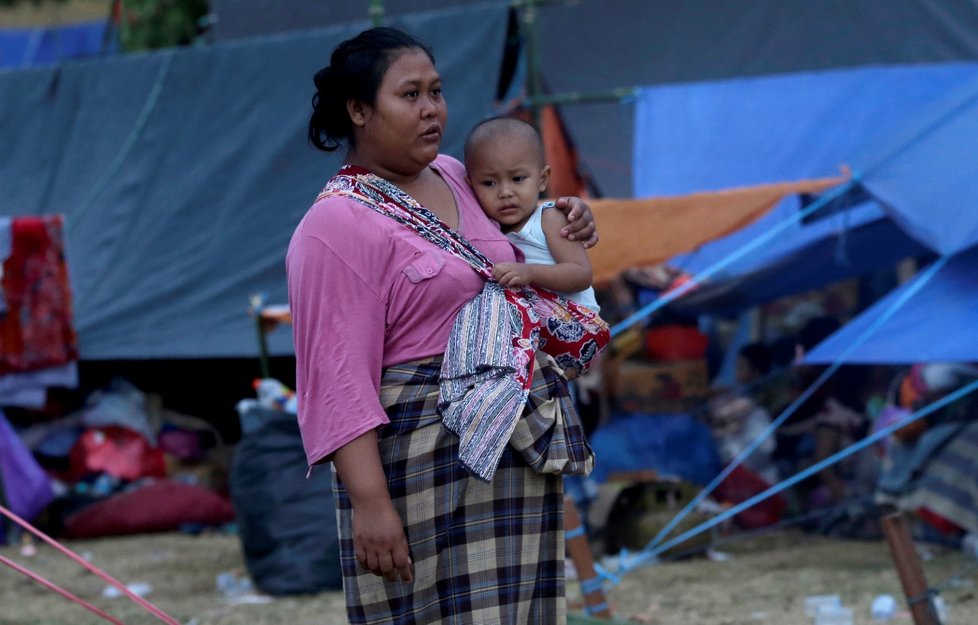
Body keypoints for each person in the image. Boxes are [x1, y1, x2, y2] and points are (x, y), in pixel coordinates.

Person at [287, 27, 599, 624]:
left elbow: (528, 238)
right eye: (410, 95)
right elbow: (336, 379)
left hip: (510, 440)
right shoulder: (336, 226)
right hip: (420, 462)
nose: (432, 109)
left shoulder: (462, 176)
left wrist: (570, 220)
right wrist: (371, 504)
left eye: (437, 90)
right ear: (358, 110)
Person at [463, 117, 601, 313]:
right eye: (489, 183)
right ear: (470, 186)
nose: (505, 192)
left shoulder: (549, 219)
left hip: (576, 326)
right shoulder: (487, 230)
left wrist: (530, 272)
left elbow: (581, 274)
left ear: (542, 179)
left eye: (518, 179)